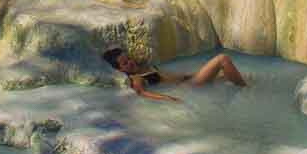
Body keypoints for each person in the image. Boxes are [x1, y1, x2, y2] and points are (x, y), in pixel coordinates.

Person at [102, 47, 247, 102]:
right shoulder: (136, 78)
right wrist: (169, 98)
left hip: (190, 79)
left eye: (128, 59)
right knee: (222, 59)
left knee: (229, 74)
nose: (130, 62)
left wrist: (192, 74)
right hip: (189, 86)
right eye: (125, 63)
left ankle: (243, 86)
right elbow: (141, 93)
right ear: (120, 70)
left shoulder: (142, 68)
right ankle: (247, 90)